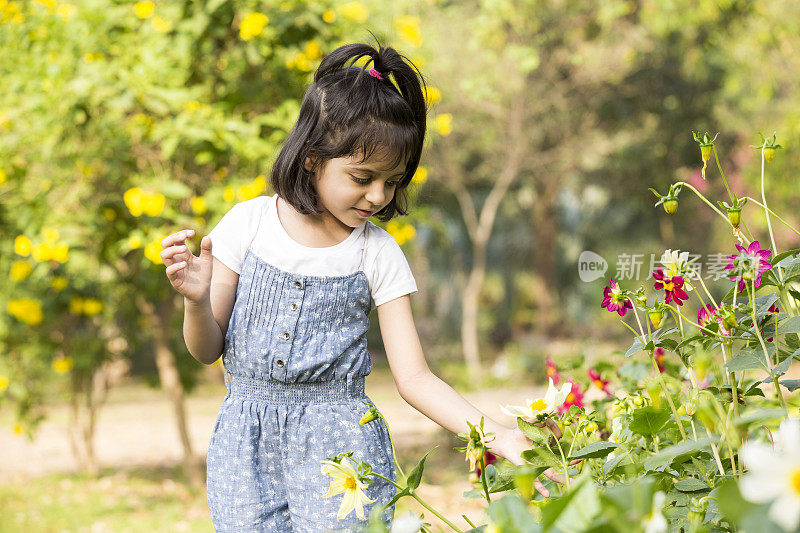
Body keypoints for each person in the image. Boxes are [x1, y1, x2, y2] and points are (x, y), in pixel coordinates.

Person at [161, 40, 565, 532]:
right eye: (362, 177)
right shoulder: (247, 225)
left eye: (393, 181)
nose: (378, 195)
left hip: (344, 451)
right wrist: (197, 302)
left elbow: (414, 378)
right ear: (312, 158)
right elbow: (206, 351)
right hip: (244, 449)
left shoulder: (377, 253)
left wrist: (495, 434)